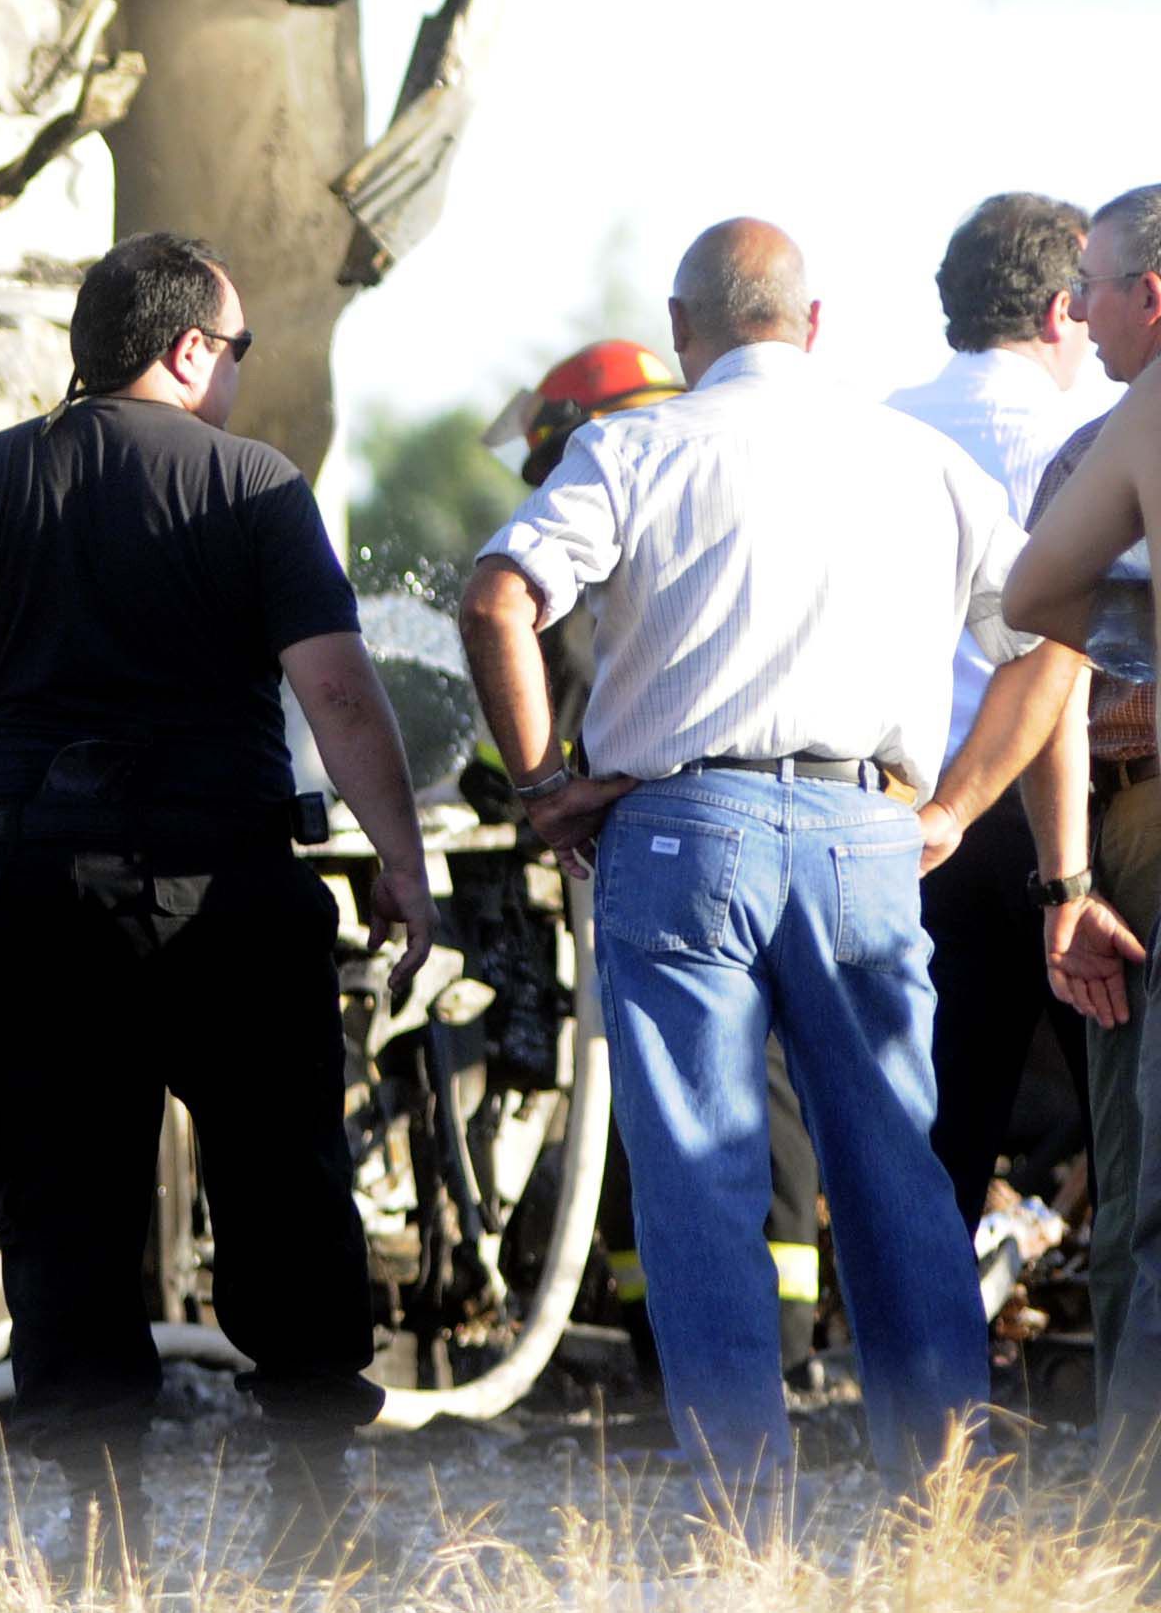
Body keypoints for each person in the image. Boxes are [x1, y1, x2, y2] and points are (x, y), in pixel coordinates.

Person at [0, 233, 430, 1573]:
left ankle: (106, 1526)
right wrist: (405, 867)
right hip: (226, 889)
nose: (238, 376)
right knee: (282, 1182)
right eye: (236, 350)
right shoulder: (253, 486)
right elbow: (343, 693)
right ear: (189, 351)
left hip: (32, 891)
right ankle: (310, 1508)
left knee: (61, 1199)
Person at [461, 218, 1073, 1485]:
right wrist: (955, 806)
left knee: (696, 1177)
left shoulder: (627, 443)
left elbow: (496, 599)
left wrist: (541, 785)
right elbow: (1052, 637)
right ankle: (940, 1498)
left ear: (683, 332)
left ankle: (746, 1516)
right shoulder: (918, 461)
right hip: (867, 835)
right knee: (897, 1169)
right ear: (812, 324)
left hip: (683, 831)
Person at [498, 344, 831, 1376]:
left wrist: (535, 793)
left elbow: (535, 691)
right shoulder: (730, 498)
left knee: (677, 1086)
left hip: (655, 844)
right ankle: (734, 1343)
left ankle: (714, 1350)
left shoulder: (608, 516)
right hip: (794, 826)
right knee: (746, 1083)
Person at [885, 193, 1111, 1222]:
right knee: (1119, 1122)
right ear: (1063, 308)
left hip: (914, 821)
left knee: (940, 1127)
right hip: (1072, 819)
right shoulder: (1092, 440)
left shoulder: (875, 433)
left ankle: (924, 1377)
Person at [1016, 183, 1161, 1436]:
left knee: (1143, 1189)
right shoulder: (1092, 444)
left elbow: (1046, 659)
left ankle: (1132, 1505)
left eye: (1095, 285)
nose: (1077, 312)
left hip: (1139, 833)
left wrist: (1070, 885)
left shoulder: (1104, 455)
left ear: (1150, 297)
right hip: (1128, 831)